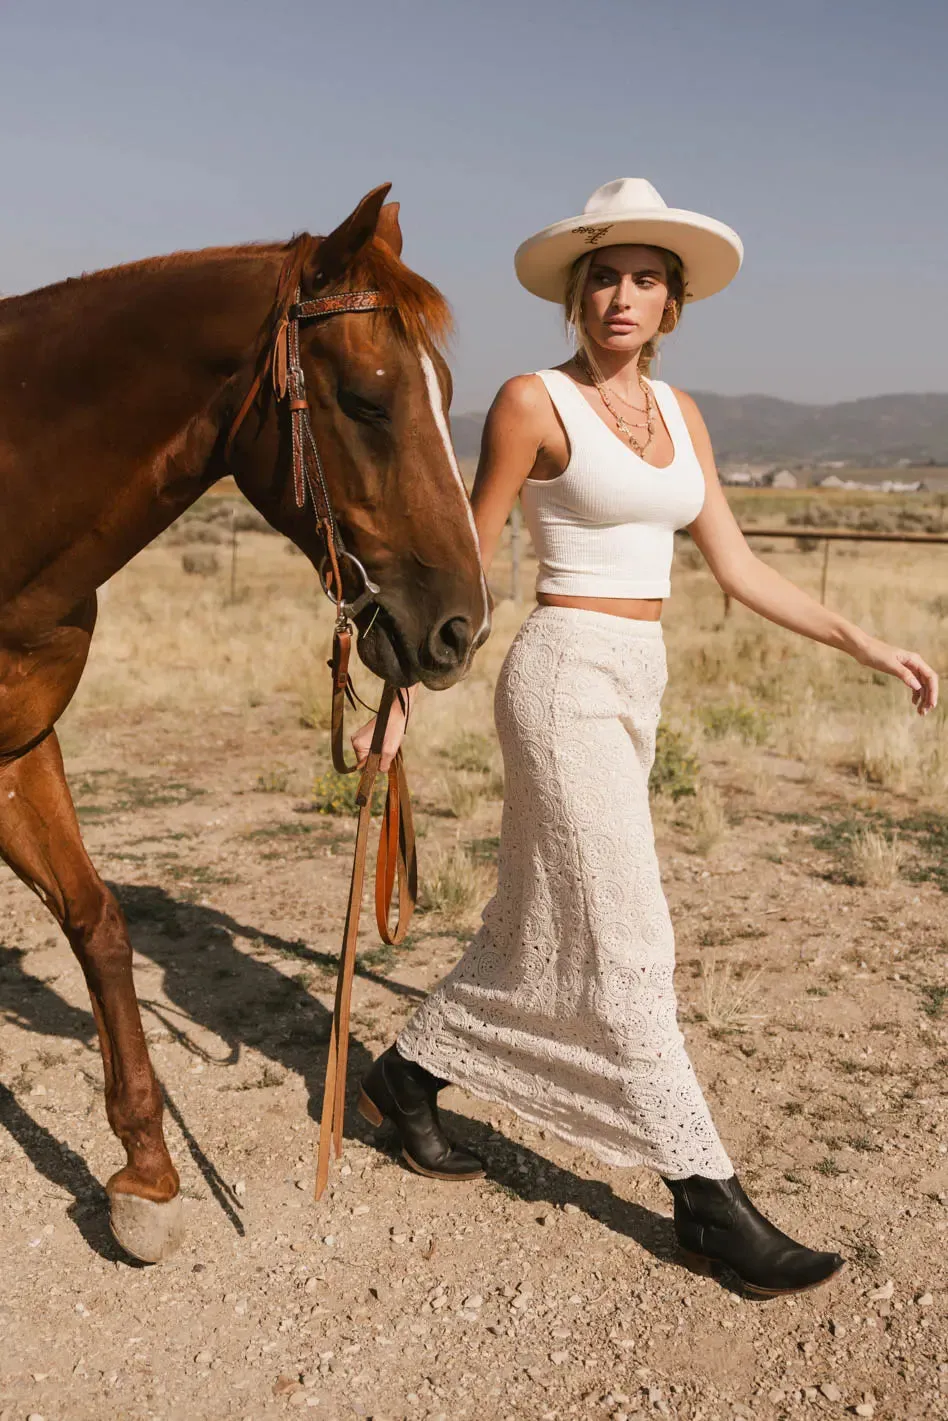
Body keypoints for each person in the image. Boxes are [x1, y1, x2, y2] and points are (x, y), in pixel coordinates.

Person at [351, 178, 939, 1297]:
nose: (623, 296)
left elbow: (739, 565)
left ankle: (404, 1079)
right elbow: (468, 568)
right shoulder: (534, 401)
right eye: (606, 276)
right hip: (563, 673)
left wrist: (864, 639)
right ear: (576, 296)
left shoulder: (684, 419)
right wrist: (406, 696)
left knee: (533, 921)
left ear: (672, 305)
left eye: (646, 279)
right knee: (630, 941)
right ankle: (705, 1197)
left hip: (640, 679)